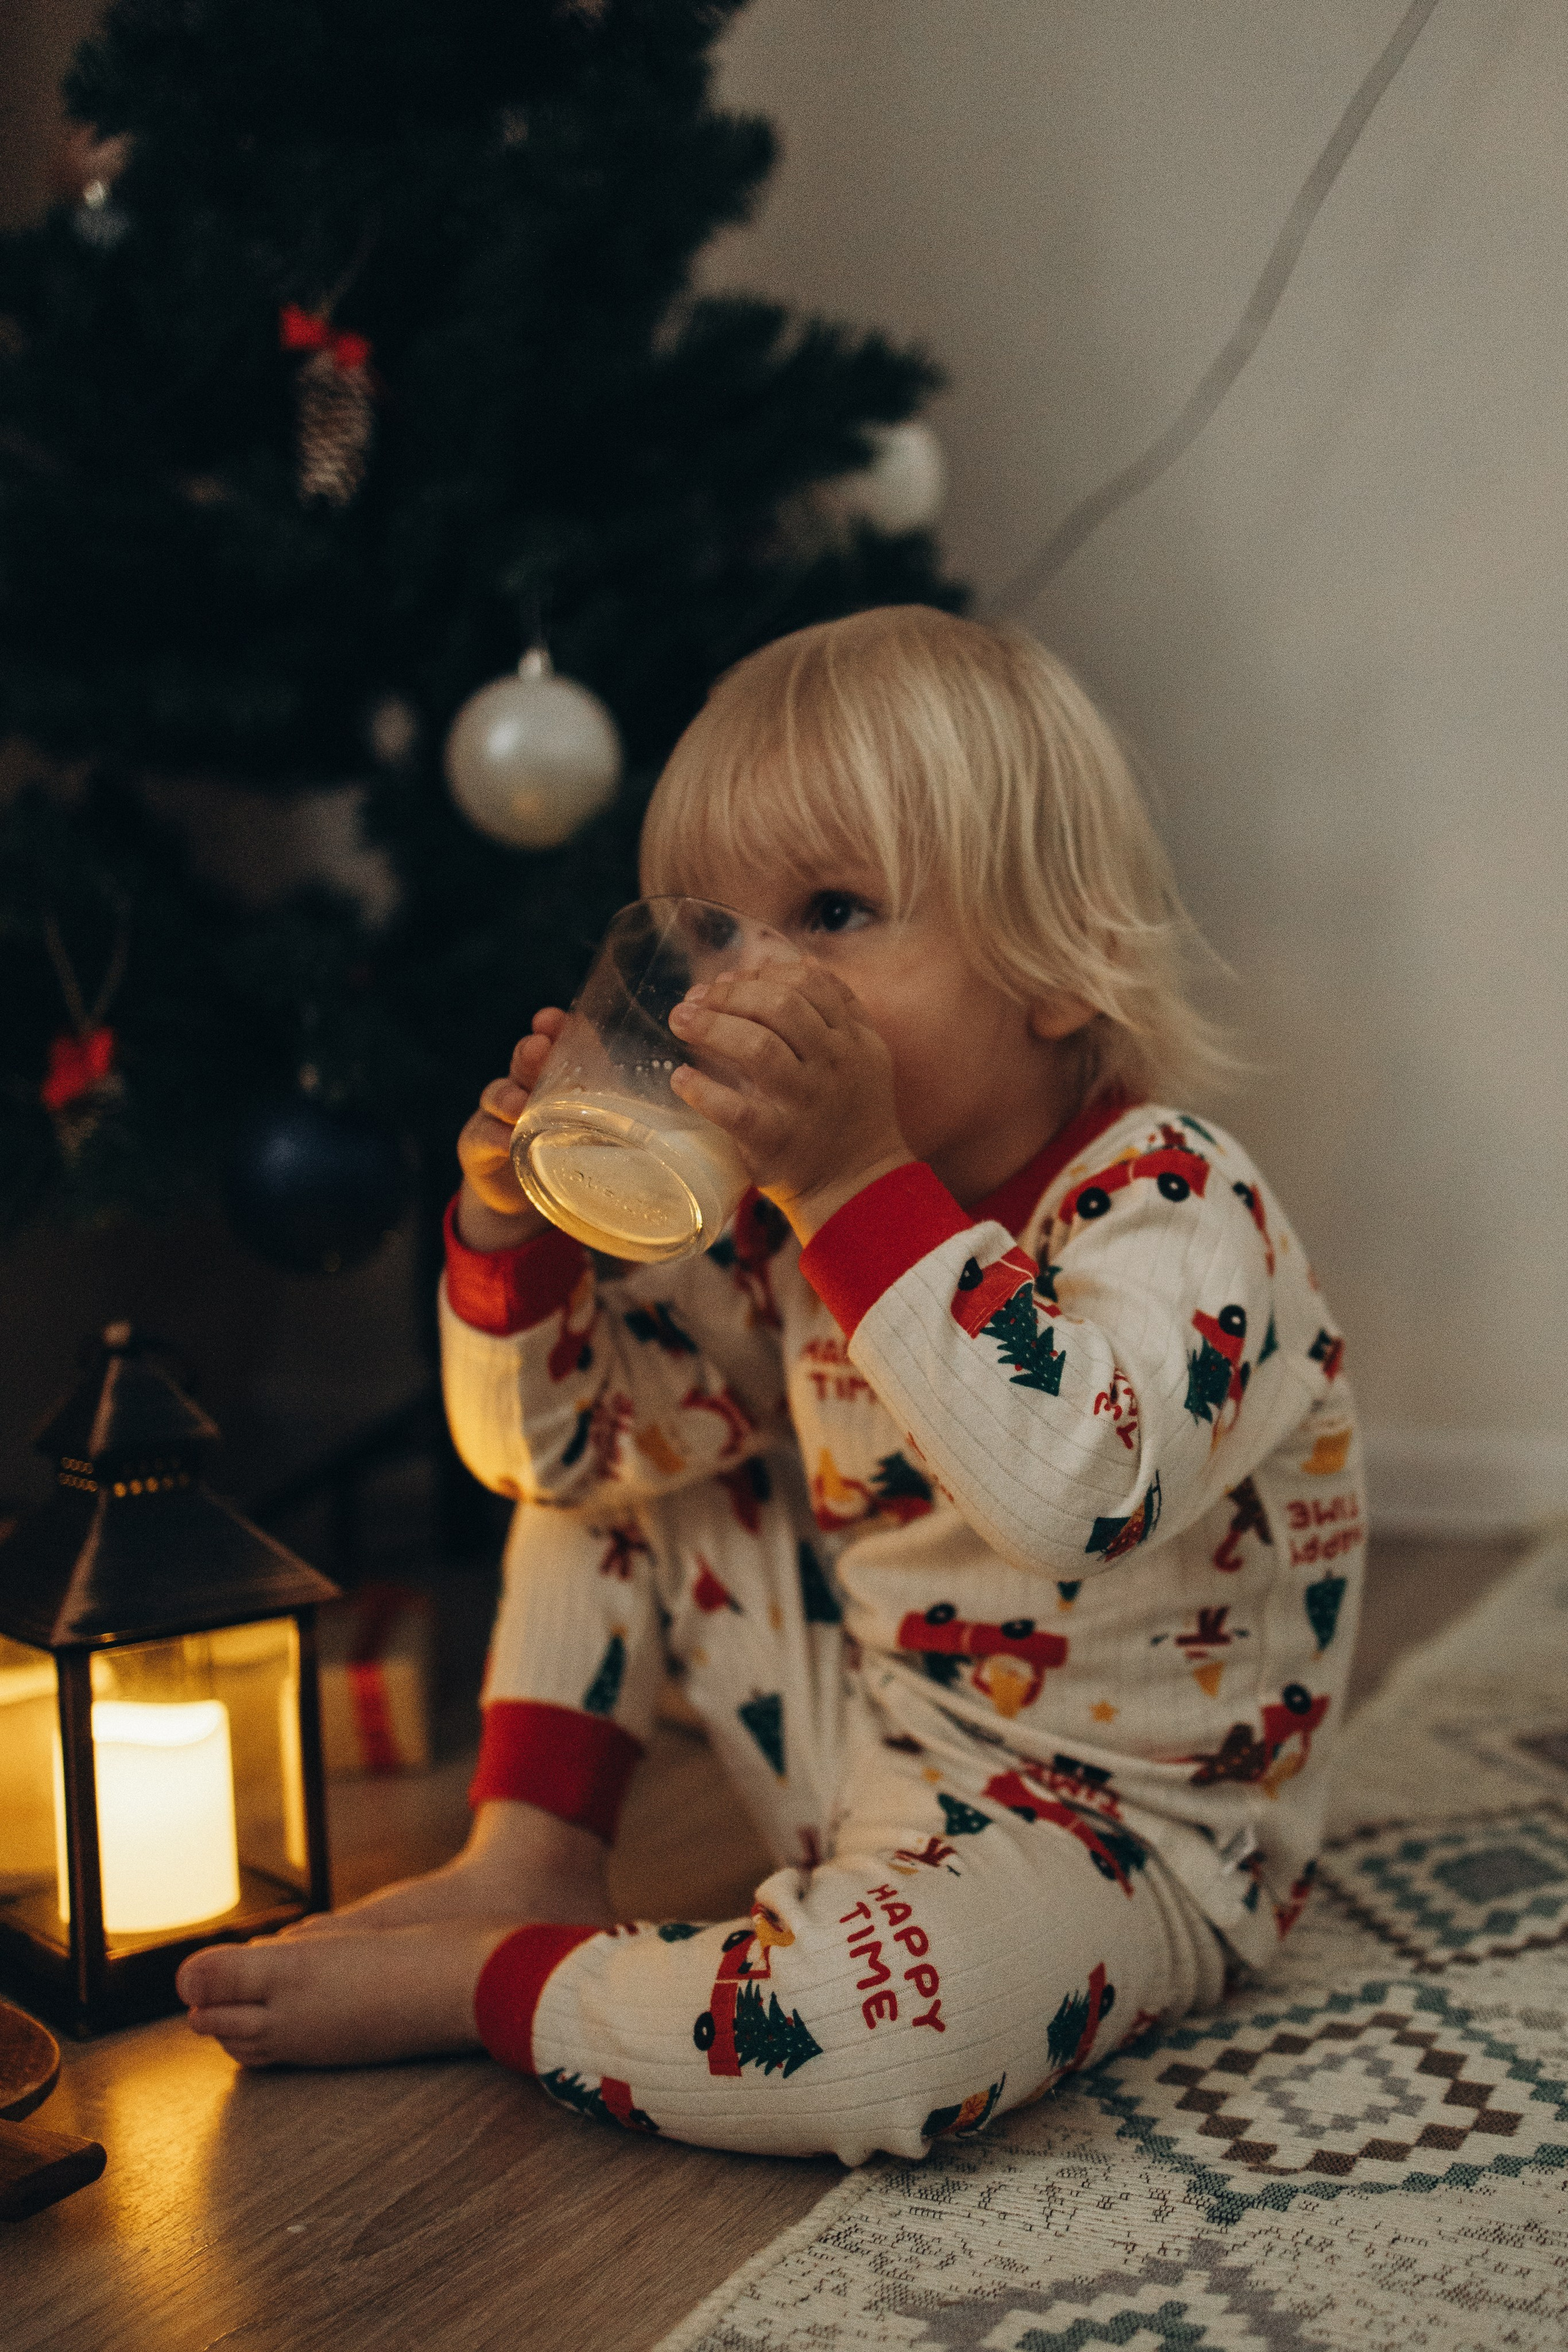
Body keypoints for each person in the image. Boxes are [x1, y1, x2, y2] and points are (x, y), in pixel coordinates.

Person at [179, 606, 1363, 2164]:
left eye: (832, 912)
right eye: (718, 938)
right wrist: (508, 1242)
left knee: (867, 2045)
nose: (744, 990)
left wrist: (856, 1182)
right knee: (624, 1452)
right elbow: (547, 1461)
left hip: (1127, 1836)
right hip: (869, 1739)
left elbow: (1076, 1493)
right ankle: (528, 1858)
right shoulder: (781, 1237)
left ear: (1058, 966)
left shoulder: (1180, 1207)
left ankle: (496, 1981)